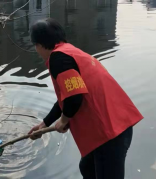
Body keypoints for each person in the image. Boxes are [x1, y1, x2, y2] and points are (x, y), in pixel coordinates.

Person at [28, 18, 143, 179]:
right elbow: (66, 97)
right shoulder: (70, 51)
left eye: (35, 46)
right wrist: (44, 124)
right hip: (116, 124)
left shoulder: (58, 59)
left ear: (39, 44)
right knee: (88, 168)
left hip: (109, 133)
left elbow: (74, 97)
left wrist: (63, 120)